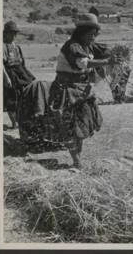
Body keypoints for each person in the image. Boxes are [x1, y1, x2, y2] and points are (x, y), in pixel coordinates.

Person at [19, 13, 120, 169]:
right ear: (81, 32)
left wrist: (118, 55)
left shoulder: (88, 45)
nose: (93, 38)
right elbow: (82, 63)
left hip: (82, 91)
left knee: (81, 127)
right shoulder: (72, 46)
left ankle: (77, 160)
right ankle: (77, 161)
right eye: (90, 34)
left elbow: (106, 50)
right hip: (66, 92)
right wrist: (107, 61)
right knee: (70, 128)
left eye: (95, 34)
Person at [3, 21, 35, 128]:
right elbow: (1, 64)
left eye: (15, 33)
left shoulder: (16, 46)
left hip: (20, 71)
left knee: (27, 91)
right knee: (12, 97)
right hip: (10, 72)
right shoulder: (2, 46)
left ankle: (23, 118)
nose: (14, 36)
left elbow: (22, 62)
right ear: (5, 33)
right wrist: (6, 78)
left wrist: (27, 74)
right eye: (11, 33)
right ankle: (14, 123)